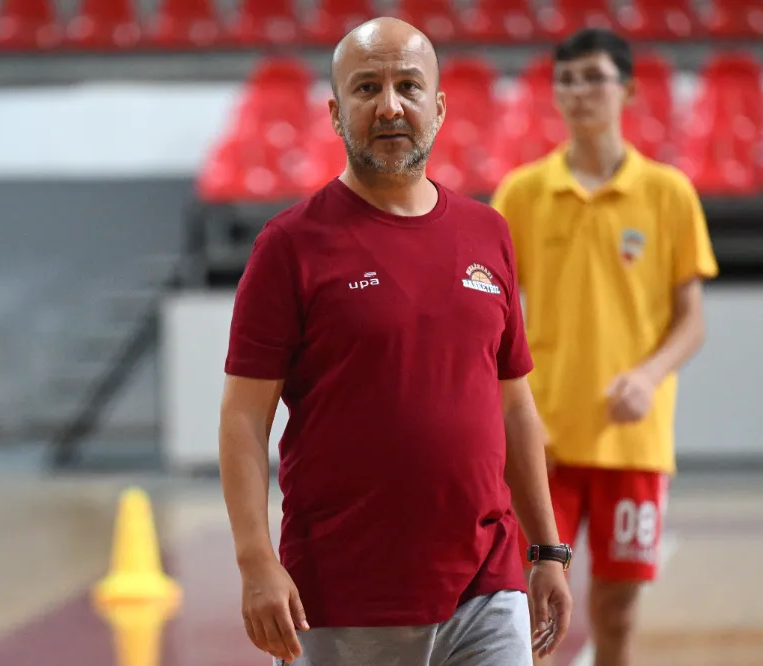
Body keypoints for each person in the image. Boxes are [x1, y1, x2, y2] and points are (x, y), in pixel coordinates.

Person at [218, 17, 573, 666]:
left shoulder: (488, 233)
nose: (389, 106)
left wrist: (546, 548)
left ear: (439, 107)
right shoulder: (289, 246)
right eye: (366, 88)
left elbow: (513, 404)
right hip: (342, 594)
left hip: (486, 586)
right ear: (335, 114)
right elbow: (244, 418)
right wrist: (255, 560)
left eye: (409, 86)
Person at [490, 28, 719, 666]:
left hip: (632, 442)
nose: (578, 92)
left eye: (593, 77)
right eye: (565, 80)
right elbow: (491, 310)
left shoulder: (669, 193)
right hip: (543, 442)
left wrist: (648, 376)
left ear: (629, 89)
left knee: (616, 610)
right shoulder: (522, 193)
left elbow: (691, 320)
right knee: (528, 607)